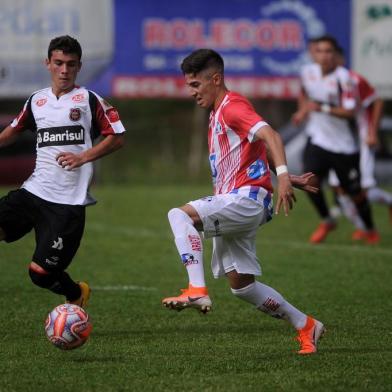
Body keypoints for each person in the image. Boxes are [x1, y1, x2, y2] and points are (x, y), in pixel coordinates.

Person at [161, 48, 325, 355]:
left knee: (179, 215)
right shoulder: (217, 113)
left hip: (245, 201)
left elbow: (272, 135)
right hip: (242, 199)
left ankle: (196, 289)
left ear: (216, 79)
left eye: (196, 85)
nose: (192, 92)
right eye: (189, 86)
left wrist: (285, 175)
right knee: (243, 287)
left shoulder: (232, 107)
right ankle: (306, 325)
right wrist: (282, 179)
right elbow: (250, 159)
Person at [0, 35, 126, 308]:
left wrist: (83, 157)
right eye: (58, 63)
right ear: (48, 64)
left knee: (40, 274)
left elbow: (117, 137)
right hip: (33, 192)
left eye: (70, 64)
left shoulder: (89, 100)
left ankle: (75, 293)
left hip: (67, 205)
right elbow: (10, 133)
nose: (64, 70)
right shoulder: (36, 101)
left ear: (79, 66)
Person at [292, 35, 379, 244]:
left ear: (335, 55)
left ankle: (369, 228)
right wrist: (302, 112)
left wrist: (320, 108)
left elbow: (350, 112)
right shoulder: (307, 72)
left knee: (355, 193)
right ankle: (327, 219)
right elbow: (304, 93)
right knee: (309, 182)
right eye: (319, 51)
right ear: (314, 53)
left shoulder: (344, 78)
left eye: (328, 51)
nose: (324, 55)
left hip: (343, 146)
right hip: (317, 139)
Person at [328, 47, 392, 233]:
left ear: (339, 59)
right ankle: (362, 227)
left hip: (363, 138)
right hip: (341, 141)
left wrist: (372, 131)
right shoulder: (325, 83)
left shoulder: (354, 80)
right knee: (337, 186)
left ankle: (384, 207)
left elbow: (377, 101)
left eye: (331, 56)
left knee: (365, 189)